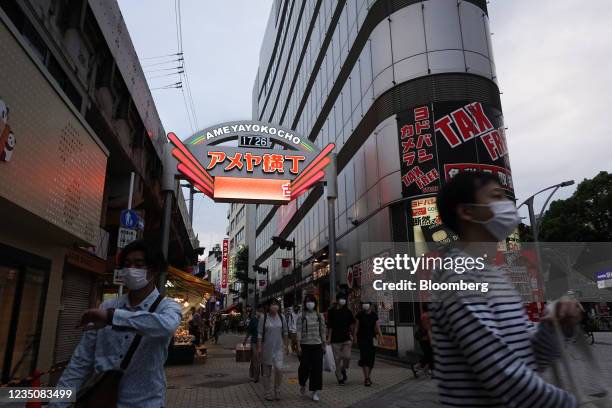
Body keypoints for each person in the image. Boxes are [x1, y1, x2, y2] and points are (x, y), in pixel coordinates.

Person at [431, 171, 582, 407]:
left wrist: (556, 325)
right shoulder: (456, 273)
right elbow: (499, 371)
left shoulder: (495, 274)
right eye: (496, 196)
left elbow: (529, 360)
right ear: (466, 211)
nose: (507, 205)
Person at [50, 240, 182, 407]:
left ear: (154, 270)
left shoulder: (167, 307)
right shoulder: (106, 307)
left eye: (139, 264)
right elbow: (81, 363)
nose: (131, 269)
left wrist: (112, 318)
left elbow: (166, 326)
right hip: (101, 400)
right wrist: (57, 403)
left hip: (146, 403)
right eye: (126, 264)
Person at [296, 294, 326, 402]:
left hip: (317, 345)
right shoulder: (301, 316)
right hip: (305, 346)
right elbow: (298, 331)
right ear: (305, 303)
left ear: (315, 303)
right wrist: (298, 345)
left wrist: (324, 344)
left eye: (311, 301)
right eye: (307, 301)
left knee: (317, 369)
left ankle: (315, 392)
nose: (310, 303)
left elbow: (323, 330)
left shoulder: (319, 315)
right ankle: (302, 383)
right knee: (304, 367)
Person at [257, 299, 288, 401]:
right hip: (267, 349)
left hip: (278, 349)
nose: (275, 306)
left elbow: (285, 332)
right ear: (268, 307)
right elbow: (260, 334)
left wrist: (286, 346)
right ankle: (267, 393)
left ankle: (277, 390)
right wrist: (259, 347)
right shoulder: (263, 318)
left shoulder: (282, 317)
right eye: (273, 304)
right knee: (267, 373)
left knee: (279, 370)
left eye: (276, 304)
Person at [326, 293, 355, 385]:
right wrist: (329, 338)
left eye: (344, 299)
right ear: (337, 300)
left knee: (347, 357)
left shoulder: (348, 311)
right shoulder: (331, 311)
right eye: (341, 299)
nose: (343, 300)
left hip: (346, 338)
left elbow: (351, 324)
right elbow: (330, 326)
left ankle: (343, 369)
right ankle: (340, 378)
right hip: (335, 340)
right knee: (337, 360)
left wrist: (353, 335)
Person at [354, 301, 383, 387]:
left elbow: (377, 327)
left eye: (367, 304)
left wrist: (381, 338)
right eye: (364, 304)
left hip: (372, 339)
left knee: (371, 359)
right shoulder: (359, 315)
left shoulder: (374, 315)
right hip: (362, 339)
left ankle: (368, 376)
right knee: (364, 357)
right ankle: (367, 378)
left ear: (370, 306)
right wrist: (355, 337)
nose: (365, 305)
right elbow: (356, 327)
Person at [244, 305, 264, 383]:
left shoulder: (264, 319)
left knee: (258, 359)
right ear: (257, 311)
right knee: (256, 358)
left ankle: (256, 373)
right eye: (260, 311)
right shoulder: (253, 320)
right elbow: (249, 331)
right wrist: (245, 340)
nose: (261, 313)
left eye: (262, 311)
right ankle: (256, 377)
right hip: (254, 342)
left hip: (262, 342)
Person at [414, 311, 433, 375]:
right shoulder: (426, 317)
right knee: (429, 354)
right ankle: (419, 366)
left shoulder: (425, 316)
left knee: (429, 354)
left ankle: (425, 367)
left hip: (424, 340)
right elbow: (429, 332)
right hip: (424, 341)